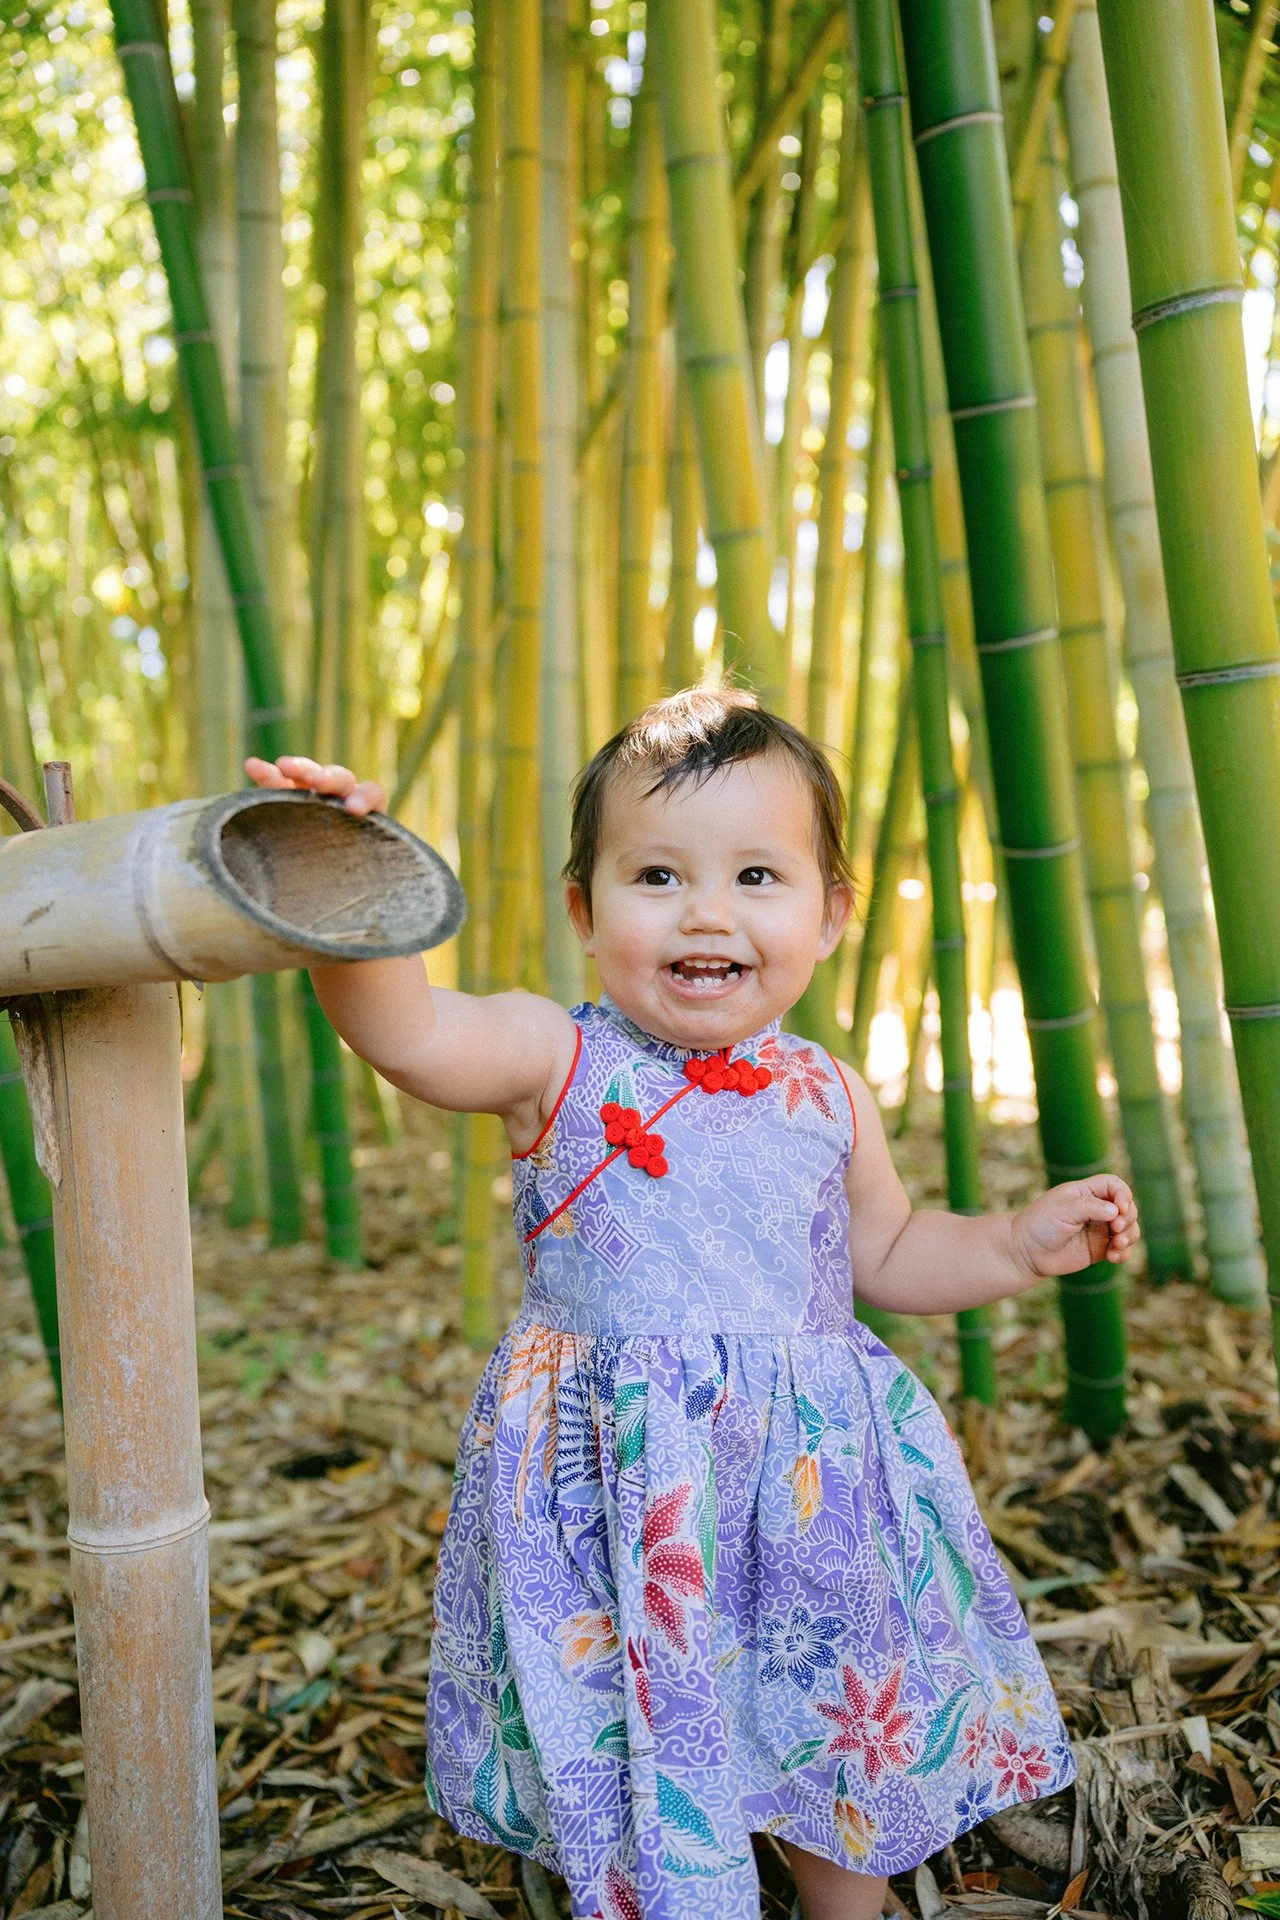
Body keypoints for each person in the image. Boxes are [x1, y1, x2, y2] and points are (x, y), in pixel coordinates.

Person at [246, 688, 1138, 1920]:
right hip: (630, 1494)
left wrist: (1012, 1242)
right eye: (656, 875)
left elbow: (883, 1252)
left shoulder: (825, 1090)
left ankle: (843, 1902)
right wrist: (346, 882)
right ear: (583, 908)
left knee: (830, 1721)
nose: (706, 912)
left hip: (811, 1489)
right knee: (646, 1736)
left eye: (756, 876)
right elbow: (408, 1033)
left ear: (829, 915)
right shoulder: (552, 1057)